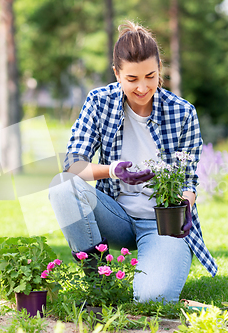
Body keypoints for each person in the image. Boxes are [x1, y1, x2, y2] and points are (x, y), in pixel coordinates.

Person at [49, 20, 217, 303]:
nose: (143, 87)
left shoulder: (182, 112)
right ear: (117, 73)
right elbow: (74, 165)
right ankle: (97, 285)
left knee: (154, 299)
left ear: (160, 67)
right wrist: (113, 171)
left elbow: (188, 180)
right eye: (132, 79)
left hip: (162, 223)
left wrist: (186, 206)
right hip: (115, 215)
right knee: (62, 186)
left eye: (150, 76)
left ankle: (157, 268)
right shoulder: (99, 102)